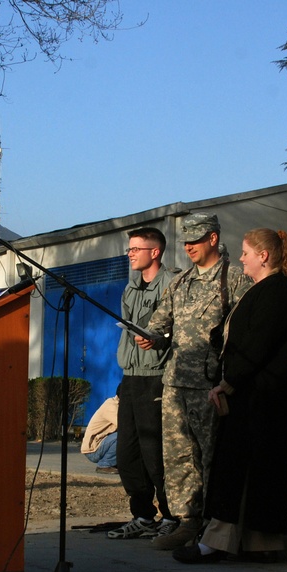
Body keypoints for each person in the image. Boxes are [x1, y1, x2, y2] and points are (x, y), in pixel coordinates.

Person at [173, 229, 287, 563]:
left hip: (259, 396)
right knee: (247, 467)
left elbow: (258, 344)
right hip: (252, 395)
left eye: (246, 252)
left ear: (264, 256)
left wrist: (228, 382)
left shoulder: (278, 292)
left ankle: (227, 541)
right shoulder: (262, 291)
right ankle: (254, 542)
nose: (241, 257)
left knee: (243, 467)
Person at [138, 214, 250, 550]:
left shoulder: (235, 279)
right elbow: (160, 323)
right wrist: (151, 338)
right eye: (185, 241)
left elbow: (245, 331)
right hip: (176, 382)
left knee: (211, 456)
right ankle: (187, 522)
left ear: (213, 239)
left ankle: (215, 524)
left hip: (211, 382)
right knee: (179, 457)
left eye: (196, 240)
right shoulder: (180, 281)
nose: (188, 246)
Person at [108, 227, 179, 539]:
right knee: (127, 454)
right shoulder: (130, 288)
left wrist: (159, 341)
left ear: (155, 252)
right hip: (131, 377)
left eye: (137, 248)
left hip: (156, 379)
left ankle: (172, 516)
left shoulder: (172, 283)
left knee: (155, 454)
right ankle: (143, 515)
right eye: (129, 248)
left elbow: (180, 331)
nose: (131, 253)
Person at [80, 395, 119, 474]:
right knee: (124, 436)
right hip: (93, 450)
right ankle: (105, 464)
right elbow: (126, 426)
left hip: (102, 444)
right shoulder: (111, 406)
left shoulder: (120, 406)